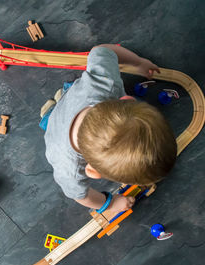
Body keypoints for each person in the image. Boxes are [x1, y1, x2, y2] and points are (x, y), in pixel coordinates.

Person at [41, 44, 177, 215]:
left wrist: (138, 62)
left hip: (75, 99)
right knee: (51, 118)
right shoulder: (69, 168)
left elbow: (103, 50)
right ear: (91, 170)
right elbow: (81, 196)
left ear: (128, 100)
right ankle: (50, 113)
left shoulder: (104, 83)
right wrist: (110, 203)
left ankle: (58, 103)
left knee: (69, 95)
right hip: (54, 133)